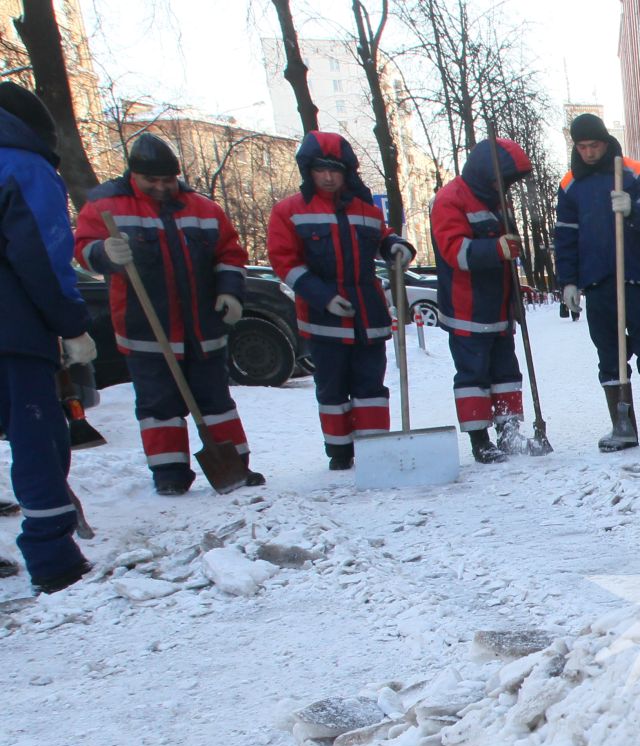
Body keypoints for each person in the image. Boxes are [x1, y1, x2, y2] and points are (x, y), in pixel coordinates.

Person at [75, 133, 259, 494]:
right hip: (145, 327)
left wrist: (229, 292)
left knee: (217, 403)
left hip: (203, 326)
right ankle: (170, 474)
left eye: (167, 180)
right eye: (152, 181)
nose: (161, 187)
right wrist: (104, 253)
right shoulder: (107, 207)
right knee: (159, 406)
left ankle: (236, 466)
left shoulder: (204, 210)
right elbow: (83, 249)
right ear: (134, 175)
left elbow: (230, 255)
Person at [267, 132, 413, 471]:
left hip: (368, 312)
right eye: (321, 170)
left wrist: (396, 246)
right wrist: (323, 297)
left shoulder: (365, 209)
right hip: (323, 318)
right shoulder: (289, 211)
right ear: (309, 171)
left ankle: (375, 446)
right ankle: (340, 451)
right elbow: (284, 262)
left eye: (335, 169)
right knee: (332, 386)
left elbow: (382, 237)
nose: (329, 177)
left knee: (371, 385)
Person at [0, 83, 93, 593]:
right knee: (38, 440)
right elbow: (44, 254)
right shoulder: (21, 164)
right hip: (11, 336)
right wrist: (70, 323)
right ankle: (53, 557)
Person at [553, 112, 640, 452]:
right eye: (581, 147)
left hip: (635, 277)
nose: (588, 153)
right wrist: (568, 281)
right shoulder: (570, 184)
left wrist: (633, 209)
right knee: (610, 354)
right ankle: (622, 425)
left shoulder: (632, 172)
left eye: (594, 145)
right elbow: (565, 237)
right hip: (598, 282)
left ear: (605, 141)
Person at [430, 137, 534, 463]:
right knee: (473, 376)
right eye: (503, 180)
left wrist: (515, 296)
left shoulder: (498, 202)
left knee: (506, 372)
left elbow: (509, 255)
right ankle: (480, 439)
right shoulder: (450, 200)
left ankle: (509, 433)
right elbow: (454, 251)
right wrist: (496, 249)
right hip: (467, 308)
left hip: (499, 307)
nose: (506, 188)